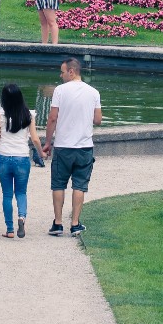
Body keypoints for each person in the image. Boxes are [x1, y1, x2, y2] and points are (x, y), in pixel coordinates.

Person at [43, 53, 102, 237]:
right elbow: (98, 120)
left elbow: (52, 118)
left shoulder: (60, 91)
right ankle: (75, 224)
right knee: (79, 185)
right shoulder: (93, 92)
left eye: (62, 72)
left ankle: (58, 223)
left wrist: (47, 142)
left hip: (63, 146)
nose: (60, 76)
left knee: (58, 184)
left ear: (71, 71)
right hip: (84, 146)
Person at [0, 82, 43, 238]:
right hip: (22, 158)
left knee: (7, 195)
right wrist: (41, 153)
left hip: (3, 158)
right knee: (21, 193)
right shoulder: (29, 115)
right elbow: (35, 139)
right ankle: (21, 217)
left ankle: (10, 230)